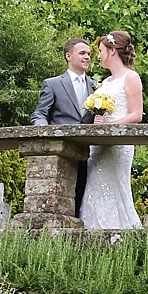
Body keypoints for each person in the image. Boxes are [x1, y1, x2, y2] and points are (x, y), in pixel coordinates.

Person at [80, 31, 143, 230]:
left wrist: (110, 126)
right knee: (94, 187)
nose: (97, 56)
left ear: (113, 51)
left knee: (115, 187)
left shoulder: (131, 77)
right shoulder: (105, 83)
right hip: (98, 145)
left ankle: (122, 233)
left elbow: (136, 115)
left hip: (118, 145)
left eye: (101, 51)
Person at [30, 38, 96, 217]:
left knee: (83, 199)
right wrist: (44, 133)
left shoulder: (96, 87)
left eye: (89, 54)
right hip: (61, 152)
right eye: (82, 53)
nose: (87, 57)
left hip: (88, 153)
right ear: (69, 56)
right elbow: (39, 114)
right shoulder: (53, 84)